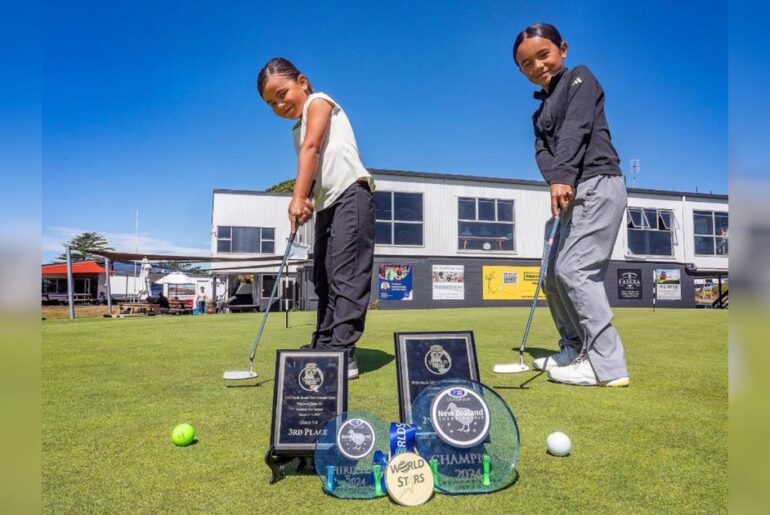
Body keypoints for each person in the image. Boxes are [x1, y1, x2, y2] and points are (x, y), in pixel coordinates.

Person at [511, 23, 629, 386]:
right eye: (527, 64)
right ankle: (574, 347)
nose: (538, 66)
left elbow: (577, 127)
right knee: (551, 274)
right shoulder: (539, 114)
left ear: (562, 48)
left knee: (575, 270)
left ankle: (606, 365)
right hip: (570, 191)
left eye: (543, 55)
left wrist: (563, 176)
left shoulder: (580, 78)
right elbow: (543, 154)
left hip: (598, 182)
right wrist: (556, 181)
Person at [257, 58, 375, 380]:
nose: (279, 105)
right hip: (327, 203)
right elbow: (312, 169)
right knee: (323, 278)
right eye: (271, 103)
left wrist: (296, 197)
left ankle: (343, 353)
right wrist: (306, 197)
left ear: (303, 81)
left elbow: (313, 149)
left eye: (282, 94)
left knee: (346, 275)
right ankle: (324, 342)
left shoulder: (319, 101)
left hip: (352, 192)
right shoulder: (297, 129)